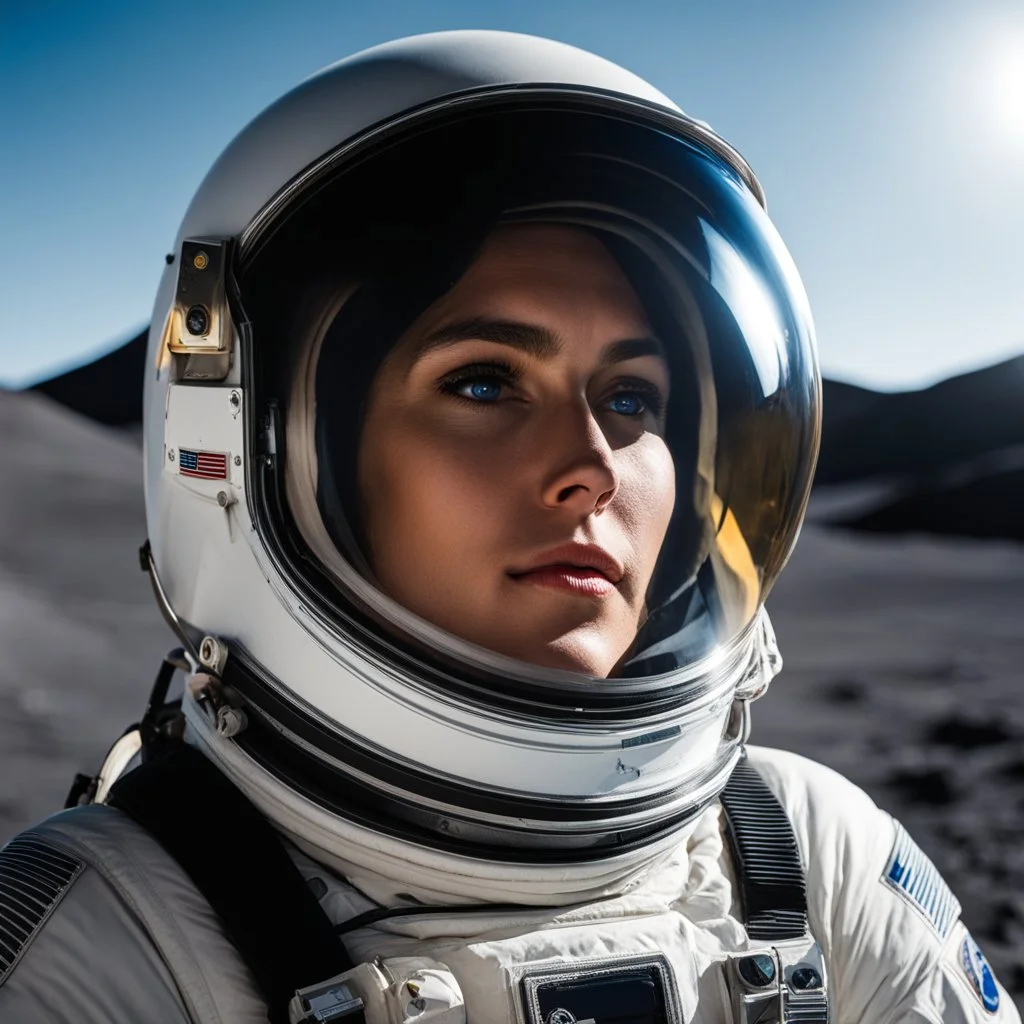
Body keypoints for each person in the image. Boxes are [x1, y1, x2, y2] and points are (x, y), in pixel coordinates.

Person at [0, 30, 1014, 1024]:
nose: (590, 465)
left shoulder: (808, 855)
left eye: (631, 398)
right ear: (265, 452)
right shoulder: (103, 939)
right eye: (484, 382)